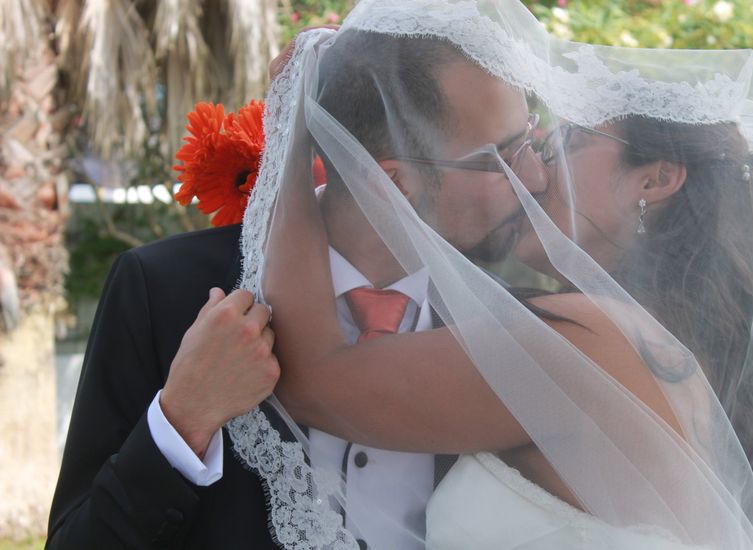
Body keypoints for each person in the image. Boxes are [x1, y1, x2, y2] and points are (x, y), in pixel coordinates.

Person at [242, 1, 753, 548]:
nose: (538, 173)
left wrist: (294, 131)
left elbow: (313, 379)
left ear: (653, 181)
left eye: (566, 144)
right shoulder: (652, 345)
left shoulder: (595, 342)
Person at [46, 25, 546, 549]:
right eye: (503, 158)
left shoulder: (516, 333)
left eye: (530, 141)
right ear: (393, 183)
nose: (535, 179)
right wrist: (184, 419)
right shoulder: (164, 291)